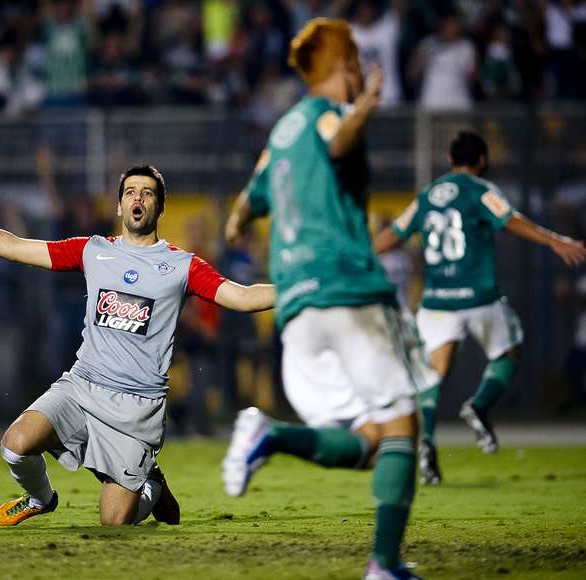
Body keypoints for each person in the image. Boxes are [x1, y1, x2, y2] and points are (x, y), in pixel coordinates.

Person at [0, 164, 274, 527]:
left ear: (160, 206)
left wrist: (304, 288)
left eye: (147, 193)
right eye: (130, 192)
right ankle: (39, 499)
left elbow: (242, 297)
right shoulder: (93, 251)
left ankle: (151, 487)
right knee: (15, 445)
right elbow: (15, 247)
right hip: (82, 387)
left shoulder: (182, 265)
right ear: (119, 206)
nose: (137, 198)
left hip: (136, 409)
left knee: (113, 523)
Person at [223, 18, 437, 580]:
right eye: (356, 61)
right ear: (344, 65)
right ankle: (384, 566)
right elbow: (339, 140)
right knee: (402, 427)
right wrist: (365, 105)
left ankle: (272, 435)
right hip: (347, 290)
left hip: (296, 313)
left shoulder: (281, 132)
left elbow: (248, 204)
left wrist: (238, 219)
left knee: (370, 440)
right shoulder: (327, 116)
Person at [373, 131, 586, 485]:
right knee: (509, 352)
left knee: (433, 375)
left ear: (449, 160)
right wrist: (554, 241)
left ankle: (425, 440)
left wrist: (363, 255)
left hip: (437, 300)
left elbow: (396, 232)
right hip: (478, 296)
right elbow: (510, 219)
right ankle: (479, 405)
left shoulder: (427, 196)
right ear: (483, 160)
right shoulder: (480, 190)